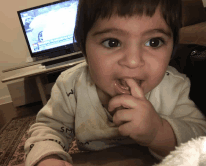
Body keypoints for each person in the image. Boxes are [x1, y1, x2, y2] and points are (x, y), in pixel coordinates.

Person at [24, 0, 206, 166]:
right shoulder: (71, 86)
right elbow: (48, 129)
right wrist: (48, 158)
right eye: (112, 42)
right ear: (83, 47)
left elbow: (199, 140)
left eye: (154, 42)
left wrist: (158, 132)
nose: (133, 61)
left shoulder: (175, 87)